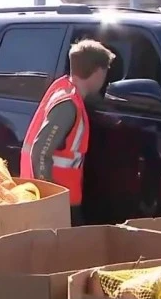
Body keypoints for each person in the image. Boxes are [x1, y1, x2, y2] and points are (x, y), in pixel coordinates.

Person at [20, 39, 114, 225]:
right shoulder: (69, 105)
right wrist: (49, 199)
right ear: (97, 72)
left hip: (64, 198)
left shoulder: (65, 90)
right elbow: (40, 150)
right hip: (60, 201)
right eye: (105, 72)